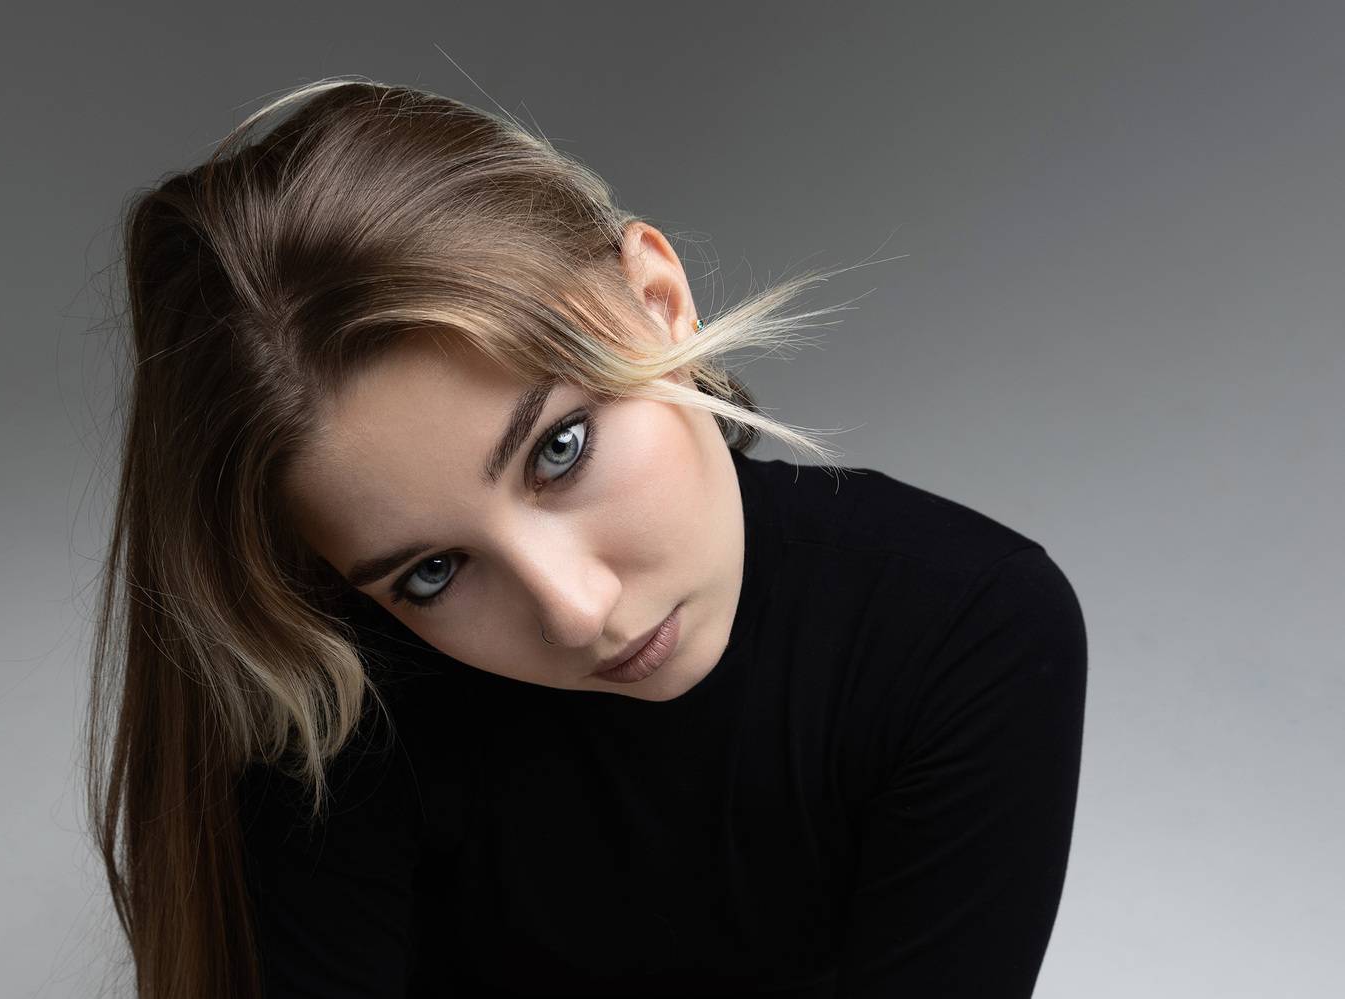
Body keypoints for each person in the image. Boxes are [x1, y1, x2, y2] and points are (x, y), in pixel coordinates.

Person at [84, 77, 1088, 998]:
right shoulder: (334, 712)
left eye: (559, 449)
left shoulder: (963, 628)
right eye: (431, 573)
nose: (574, 613)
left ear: (657, 302)